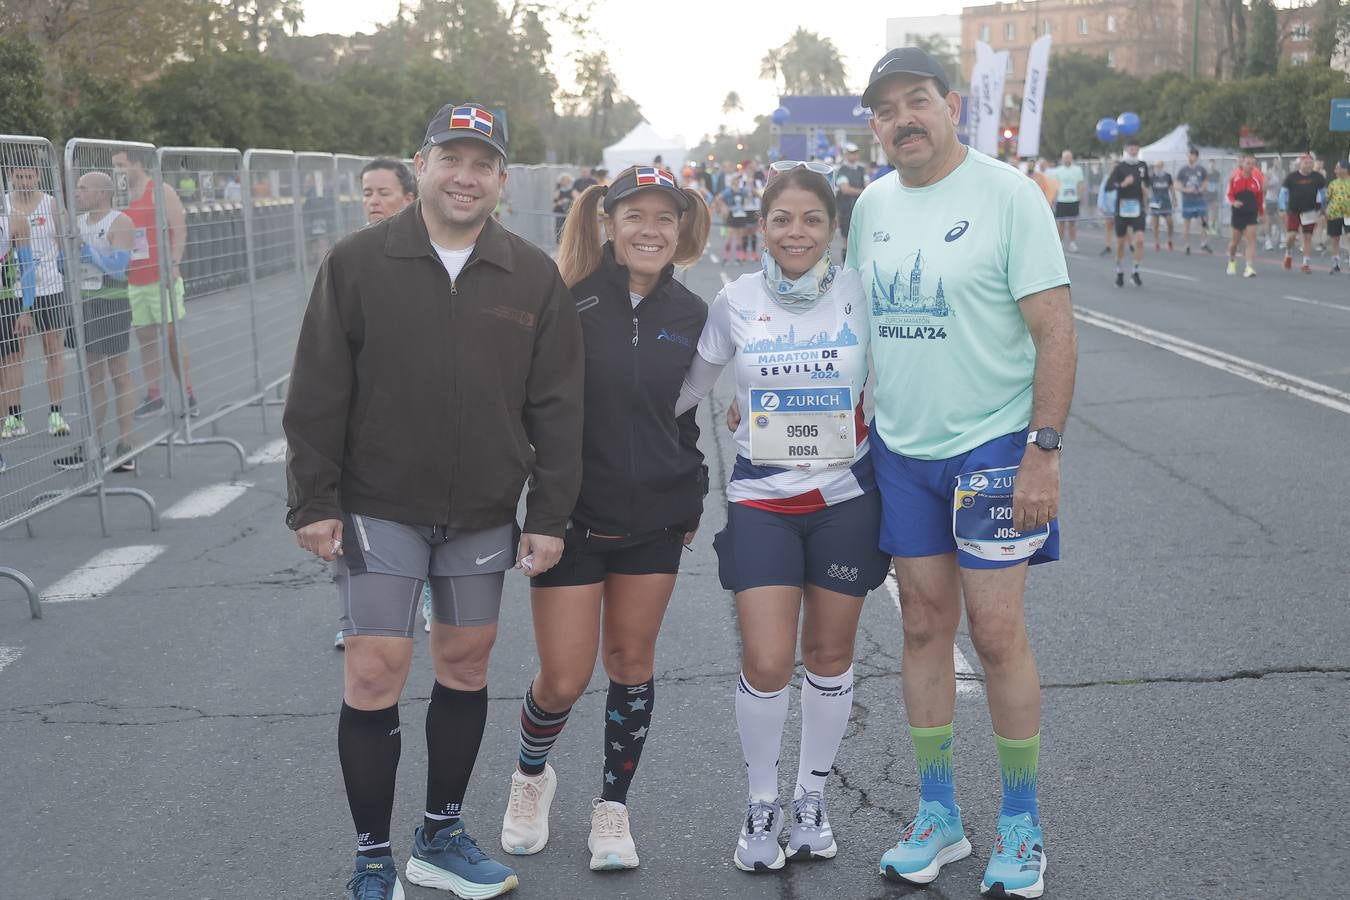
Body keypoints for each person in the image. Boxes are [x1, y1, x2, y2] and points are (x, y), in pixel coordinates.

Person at [285, 101, 584, 900]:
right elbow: (317, 387)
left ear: (502, 180)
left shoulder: (531, 273)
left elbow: (558, 405)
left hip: (483, 509)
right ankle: (372, 858)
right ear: (421, 166)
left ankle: (440, 837)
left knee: (466, 662)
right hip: (379, 503)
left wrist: (548, 514)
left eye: (482, 164)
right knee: (374, 669)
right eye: (451, 159)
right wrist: (313, 500)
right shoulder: (357, 261)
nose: (465, 176)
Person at [852, 47, 1076, 899]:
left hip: (994, 447)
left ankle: (1020, 821)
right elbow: (860, 325)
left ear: (951, 104)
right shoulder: (871, 205)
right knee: (920, 627)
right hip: (904, 451)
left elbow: (1055, 329)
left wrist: (1043, 450)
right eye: (885, 110)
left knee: (994, 631)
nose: (902, 119)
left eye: (916, 101)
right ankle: (938, 814)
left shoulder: (1009, 194)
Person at [676, 161, 890, 872]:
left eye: (811, 219)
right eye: (782, 219)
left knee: (828, 656)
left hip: (844, 500)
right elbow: (685, 392)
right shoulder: (734, 299)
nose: (796, 232)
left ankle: (812, 799)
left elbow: (905, 378)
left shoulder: (861, 293)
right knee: (767, 661)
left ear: (833, 228)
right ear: (761, 225)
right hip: (762, 501)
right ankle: (761, 802)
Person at [497, 165, 710, 872]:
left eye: (665, 218)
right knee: (563, 677)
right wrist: (538, 508)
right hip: (571, 519)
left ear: (680, 231)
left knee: (631, 663)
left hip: (655, 520)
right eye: (636, 216)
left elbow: (682, 419)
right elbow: (534, 412)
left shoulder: (692, 313)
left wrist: (693, 492)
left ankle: (612, 807)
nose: (651, 230)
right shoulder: (568, 300)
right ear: (609, 223)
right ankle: (530, 777)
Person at [335, 157, 422, 650]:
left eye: (383, 192)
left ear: (410, 198)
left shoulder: (436, 257)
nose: (373, 201)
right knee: (357, 536)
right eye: (367, 192)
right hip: (367, 434)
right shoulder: (351, 256)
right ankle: (355, 614)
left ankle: (427, 598)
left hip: (422, 424)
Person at [53, 172, 137, 473]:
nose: (77, 193)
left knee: (119, 372)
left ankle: (126, 445)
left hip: (111, 302)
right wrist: (66, 251)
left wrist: (85, 250)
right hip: (84, 303)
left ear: (102, 193)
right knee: (92, 377)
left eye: (83, 188)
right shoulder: (78, 223)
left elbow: (119, 268)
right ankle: (93, 442)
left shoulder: (119, 222)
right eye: (77, 188)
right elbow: (64, 266)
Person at [110, 148, 198, 419]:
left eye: (121, 165)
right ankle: (154, 395)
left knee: (171, 338)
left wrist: (174, 262)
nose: (117, 171)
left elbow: (179, 229)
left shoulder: (161, 191)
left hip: (162, 279)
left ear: (137, 163)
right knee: (145, 338)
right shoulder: (121, 196)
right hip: (135, 279)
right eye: (114, 166)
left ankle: (188, 394)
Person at [2, 157, 73, 439]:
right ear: (10, 176)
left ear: (38, 177)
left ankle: (56, 413)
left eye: (29, 176)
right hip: (16, 291)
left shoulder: (52, 205)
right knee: (13, 355)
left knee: (53, 350)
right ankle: (14, 416)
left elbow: (66, 242)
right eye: (19, 176)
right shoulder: (5, 206)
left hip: (50, 288)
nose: (24, 182)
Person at [0, 204, 35, 451]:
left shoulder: (14, 220)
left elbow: (27, 266)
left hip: (5, 301)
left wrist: (26, 308)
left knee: (8, 365)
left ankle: (14, 415)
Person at [1106, 141, 1149, 287]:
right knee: (1120, 244)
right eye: (1131, 148)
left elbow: (1147, 182)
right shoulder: (1120, 167)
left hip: (1138, 208)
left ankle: (1135, 272)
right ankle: (1119, 272)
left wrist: (1146, 189)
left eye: (1136, 148)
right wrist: (1123, 184)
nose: (1134, 151)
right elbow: (1109, 186)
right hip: (1122, 209)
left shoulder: (1142, 165)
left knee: (1140, 241)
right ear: (1126, 150)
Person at [1280, 154, 1327, 274]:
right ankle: (1288, 254)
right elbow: (1283, 193)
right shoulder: (1292, 177)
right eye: (1306, 163)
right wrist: (1282, 208)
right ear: (1300, 164)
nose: (1309, 165)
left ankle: (1305, 263)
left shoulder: (1318, 177)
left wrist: (1323, 209)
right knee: (1291, 236)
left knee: (1307, 237)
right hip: (1294, 210)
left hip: (1310, 211)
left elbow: (1323, 194)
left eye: (1311, 163)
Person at [1225, 155, 1264, 278]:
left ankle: (1249, 267)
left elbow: (1259, 199)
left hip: (1251, 214)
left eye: (1253, 164)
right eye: (1248, 163)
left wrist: (1261, 213)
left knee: (1251, 240)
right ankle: (1232, 261)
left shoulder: (1256, 181)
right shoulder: (1234, 179)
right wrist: (1234, 202)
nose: (1250, 166)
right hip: (1238, 214)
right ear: (1242, 164)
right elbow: (1229, 195)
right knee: (1234, 243)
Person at [360, 158, 417, 226]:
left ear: (408, 200)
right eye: (367, 194)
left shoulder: (424, 231)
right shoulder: (359, 233)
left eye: (384, 194)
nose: (373, 201)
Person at [835, 142, 869, 254]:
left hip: (862, 209)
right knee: (847, 239)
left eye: (855, 153)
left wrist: (860, 191)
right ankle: (846, 263)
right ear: (846, 154)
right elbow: (845, 189)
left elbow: (868, 185)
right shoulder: (842, 170)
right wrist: (863, 191)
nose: (854, 155)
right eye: (851, 153)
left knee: (862, 238)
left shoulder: (861, 169)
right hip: (846, 210)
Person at [1176, 148, 1212, 255]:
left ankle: (1203, 243)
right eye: (1189, 155)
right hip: (1187, 200)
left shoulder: (1201, 169)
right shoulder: (1183, 170)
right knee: (1187, 223)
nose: (1190, 157)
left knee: (1204, 221)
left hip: (1199, 199)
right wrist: (1186, 190)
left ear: (1196, 157)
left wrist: (1201, 189)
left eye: (1192, 155)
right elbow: (1176, 185)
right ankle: (1187, 245)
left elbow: (1205, 182)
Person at [1050, 150, 1084, 252]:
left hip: (1073, 200)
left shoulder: (1077, 169)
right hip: (1061, 201)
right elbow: (1055, 186)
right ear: (1062, 159)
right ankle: (1060, 243)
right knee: (1061, 223)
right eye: (1065, 157)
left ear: (1071, 158)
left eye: (1069, 157)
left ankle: (1072, 243)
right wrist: (1053, 200)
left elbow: (1080, 183)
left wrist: (1079, 196)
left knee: (1072, 223)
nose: (1067, 159)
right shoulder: (1057, 171)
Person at [1325, 160, 1350, 274]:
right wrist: (1326, 211)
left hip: (1348, 215)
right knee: (1335, 238)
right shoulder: (1333, 184)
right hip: (1334, 214)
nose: (1335, 170)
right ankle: (1336, 263)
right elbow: (1327, 198)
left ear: (1345, 169)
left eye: (1338, 168)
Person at [1148, 160, 1176, 252]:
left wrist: (1174, 199)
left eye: (1160, 166)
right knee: (1155, 224)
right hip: (1155, 202)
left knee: (1170, 222)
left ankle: (1169, 241)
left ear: (1163, 166)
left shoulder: (1167, 176)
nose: (1158, 168)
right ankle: (1156, 242)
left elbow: (1171, 188)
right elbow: (1148, 190)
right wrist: (1147, 202)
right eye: (1156, 166)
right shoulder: (1152, 177)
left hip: (1166, 202)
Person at [551, 172, 574, 243]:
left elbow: (576, 200)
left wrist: (569, 201)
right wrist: (560, 202)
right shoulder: (558, 191)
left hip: (569, 213)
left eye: (566, 180)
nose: (565, 182)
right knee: (559, 228)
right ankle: (559, 242)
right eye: (563, 180)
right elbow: (555, 202)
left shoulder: (572, 190)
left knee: (569, 228)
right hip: (560, 212)